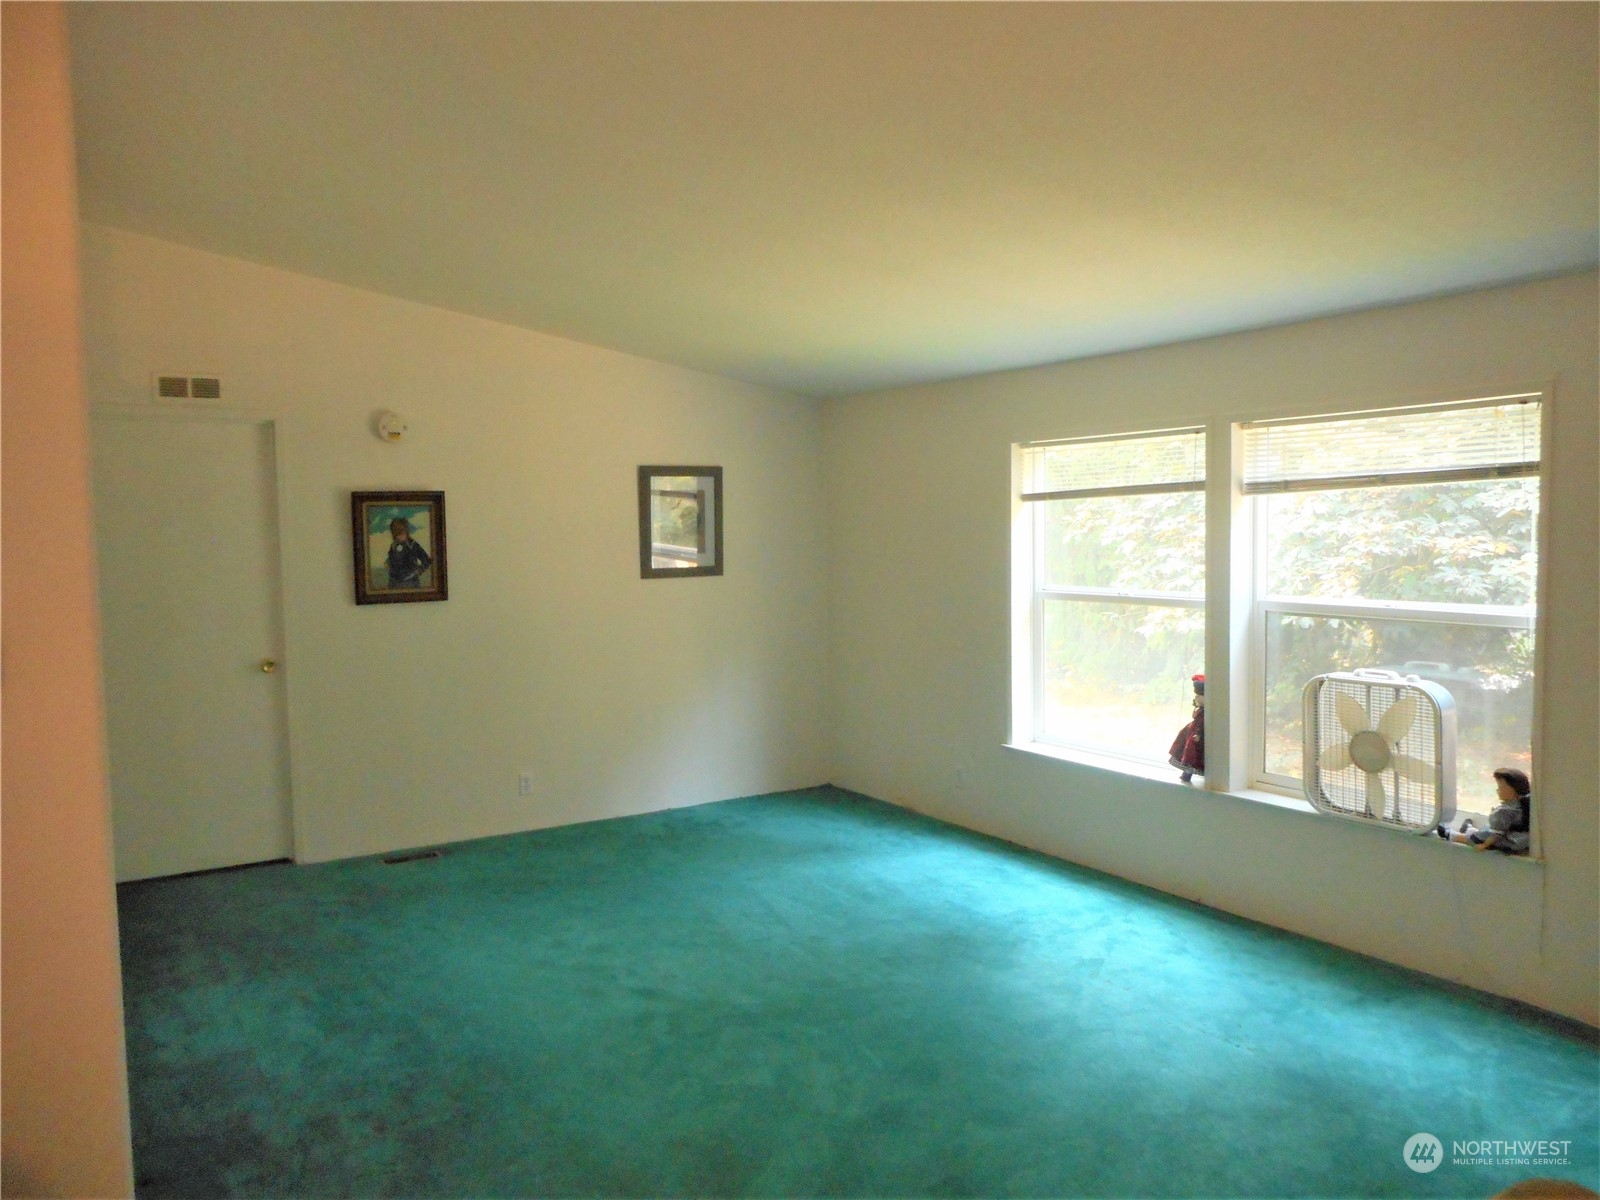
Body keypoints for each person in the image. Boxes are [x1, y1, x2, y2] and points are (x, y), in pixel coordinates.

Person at [1437, 767, 1530, 854]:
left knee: (1470, 839)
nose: (1497, 791)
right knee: (1484, 830)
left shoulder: (1504, 811)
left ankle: (1449, 834)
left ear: (1513, 791)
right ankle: (1469, 829)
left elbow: (1496, 834)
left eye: (1500, 788)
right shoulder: (1524, 804)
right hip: (1520, 840)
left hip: (1507, 841)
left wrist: (1484, 845)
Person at [1168, 674, 1204, 783]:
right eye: (1196, 695)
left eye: (1200, 695)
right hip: (1191, 734)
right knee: (1187, 752)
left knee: (1194, 755)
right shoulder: (1199, 710)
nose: (1196, 697)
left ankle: (1189, 772)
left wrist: (1199, 735)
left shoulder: (1206, 715)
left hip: (1196, 736)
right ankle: (1186, 772)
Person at [385, 516, 432, 589]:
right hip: (393, 583)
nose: (398, 537)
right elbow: (392, 558)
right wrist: (388, 562)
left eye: (400, 534)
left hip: (410, 582)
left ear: (406, 531)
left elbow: (427, 561)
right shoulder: (393, 546)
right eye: (395, 534)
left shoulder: (413, 545)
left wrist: (419, 571)